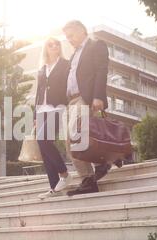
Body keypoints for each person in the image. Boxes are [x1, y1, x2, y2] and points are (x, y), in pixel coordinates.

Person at [62, 20, 111, 196]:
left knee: (76, 134)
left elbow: (101, 70)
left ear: (82, 30)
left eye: (71, 35)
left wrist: (98, 96)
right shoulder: (74, 55)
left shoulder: (96, 45)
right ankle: (88, 178)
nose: (69, 39)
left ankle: (100, 164)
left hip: (85, 98)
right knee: (69, 142)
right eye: (67, 37)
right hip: (71, 101)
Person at [34, 37, 73, 200]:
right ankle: (54, 187)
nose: (55, 46)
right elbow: (38, 91)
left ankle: (64, 174)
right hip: (42, 110)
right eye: (51, 44)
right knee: (44, 147)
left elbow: (69, 85)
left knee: (42, 139)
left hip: (58, 107)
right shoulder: (42, 68)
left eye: (57, 44)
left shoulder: (65, 64)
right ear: (46, 48)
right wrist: (35, 116)